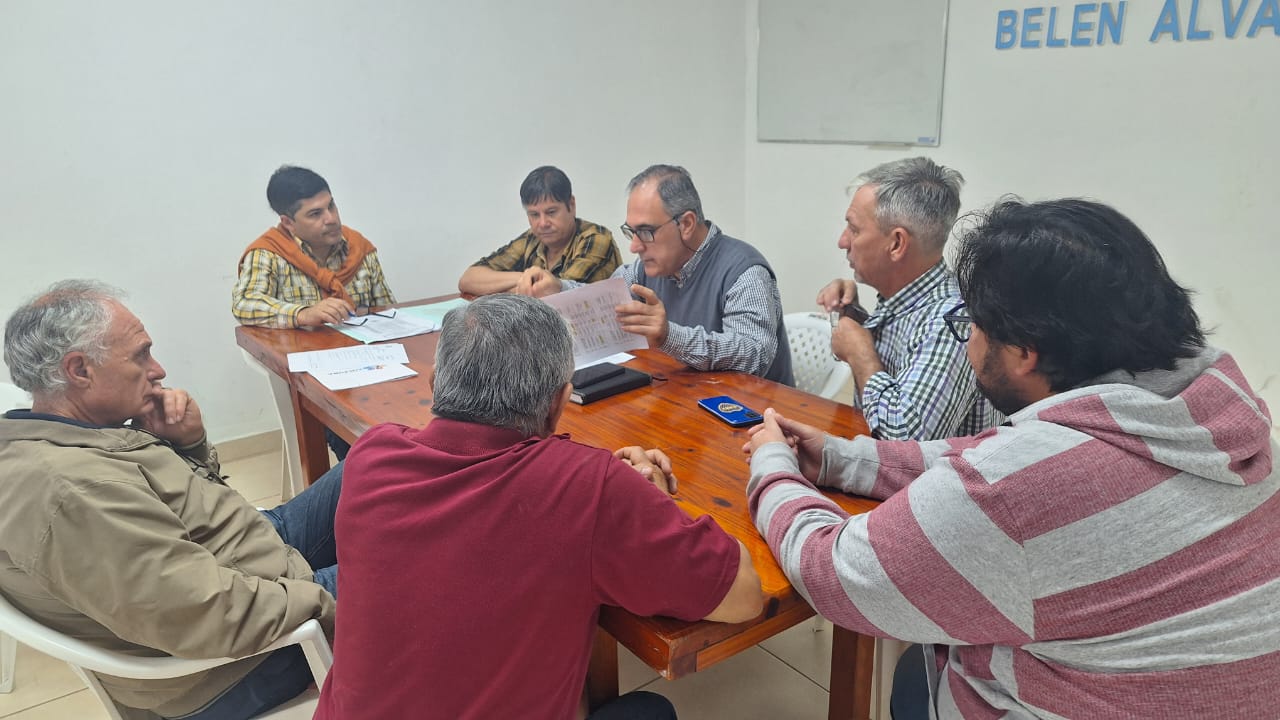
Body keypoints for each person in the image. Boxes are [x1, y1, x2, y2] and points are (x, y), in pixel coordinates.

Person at [745, 199, 1280, 718]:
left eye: (973, 328)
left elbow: (836, 571)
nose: (970, 341)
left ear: (1026, 352)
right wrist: (846, 459)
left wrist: (773, 468)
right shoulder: (1218, 415)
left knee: (916, 674)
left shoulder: (1016, 490)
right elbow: (999, 455)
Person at [316, 294, 764, 720]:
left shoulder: (371, 455)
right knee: (653, 710)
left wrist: (612, 489)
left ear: (435, 386)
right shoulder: (590, 490)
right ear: (560, 404)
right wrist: (644, 500)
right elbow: (744, 596)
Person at [0, 280, 342, 720]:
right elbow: (206, 615)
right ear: (79, 370)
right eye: (140, 355)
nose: (158, 369)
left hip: (247, 558)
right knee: (436, 564)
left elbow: (182, 514)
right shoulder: (71, 491)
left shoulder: (63, 432)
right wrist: (324, 597)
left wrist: (188, 445)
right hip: (238, 664)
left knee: (385, 455)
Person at [535, 164, 793, 385]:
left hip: (755, 420)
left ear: (687, 224)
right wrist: (559, 289)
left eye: (646, 231)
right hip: (685, 400)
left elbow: (755, 356)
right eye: (631, 232)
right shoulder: (645, 267)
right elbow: (604, 300)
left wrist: (669, 336)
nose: (634, 246)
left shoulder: (744, 272)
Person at [816, 157, 1000, 440]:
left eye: (854, 229)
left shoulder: (951, 322)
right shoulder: (908, 298)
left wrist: (861, 355)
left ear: (897, 244)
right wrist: (856, 317)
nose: (843, 241)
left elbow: (905, 446)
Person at [232, 165, 396, 329]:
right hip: (300, 351)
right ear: (288, 223)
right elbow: (244, 304)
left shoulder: (359, 248)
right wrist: (303, 314)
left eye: (331, 206)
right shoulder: (269, 253)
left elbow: (388, 311)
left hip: (364, 350)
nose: (331, 219)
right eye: (315, 214)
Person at [458, 165, 622, 297]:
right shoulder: (533, 239)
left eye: (551, 212)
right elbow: (469, 278)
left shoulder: (596, 238)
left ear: (571, 205)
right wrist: (525, 278)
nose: (542, 223)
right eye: (534, 214)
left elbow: (558, 297)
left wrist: (512, 287)